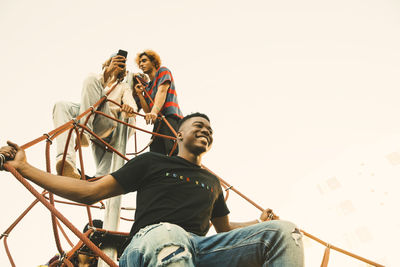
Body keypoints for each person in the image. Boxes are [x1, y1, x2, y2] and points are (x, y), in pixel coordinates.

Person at [1, 113, 304, 266]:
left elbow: (224, 231)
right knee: (169, 234)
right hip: (148, 244)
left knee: (285, 231)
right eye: (198, 125)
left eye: (209, 130)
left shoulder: (212, 183)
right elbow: (88, 192)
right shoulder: (151, 162)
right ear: (179, 133)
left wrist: (260, 223)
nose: (205, 130)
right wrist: (26, 168)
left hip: (199, 249)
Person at [52, 53, 137, 178]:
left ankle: (84, 131)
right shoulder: (98, 82)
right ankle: (66, 160)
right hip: (90, 121)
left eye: (120, 64)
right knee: (61, 105)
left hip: (106, 123)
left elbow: (132, 107)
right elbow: (93, 89)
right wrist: (108, 72)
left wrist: (128, 109)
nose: (116, 66)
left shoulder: (123, 87)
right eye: (113, 63)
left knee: (91, 79)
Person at [134, 50, 183, 155]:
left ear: (153, 61)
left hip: (171, 118)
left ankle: (177, 171)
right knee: (155, 153)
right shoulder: (148, 87)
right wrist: (139, 94)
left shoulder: (163, 71)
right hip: (159, 122)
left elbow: (162, 91)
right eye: (140, 63)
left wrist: (154, 112)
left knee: (173, 149)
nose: (141, 64)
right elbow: (148, 111)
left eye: (144, 61)